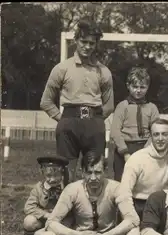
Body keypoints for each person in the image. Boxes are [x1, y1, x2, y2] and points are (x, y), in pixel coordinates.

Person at [40, 19, 114, 182]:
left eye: (92, 43)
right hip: (69, 124)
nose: (87, 46)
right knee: (67, 173)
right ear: (75, 41)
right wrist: (64, 119)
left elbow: (109, 105)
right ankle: (68, 206)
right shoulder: (62, 68)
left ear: (96, 45)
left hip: (94, 125)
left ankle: (91, 207)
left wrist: (96, 121)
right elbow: (46, 101)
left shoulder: (104, 71)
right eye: (83, 41)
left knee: (94, 171)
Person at [39, 151, 140, 235]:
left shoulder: (116, 187)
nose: (93, 178)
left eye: (97, 173)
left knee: (134, 233)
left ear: (105, 172)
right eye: (89, 173)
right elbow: (51, 222)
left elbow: (133, 219)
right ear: (82, 172)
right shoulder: (72, 189)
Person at [119, 118, 168, 220]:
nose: (160, 138)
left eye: (164, 134)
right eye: (156, 134)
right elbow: (124, 193)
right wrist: (131, 216)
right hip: (139, 206)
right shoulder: (137, 159)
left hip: (162, 207)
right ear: (150, 137)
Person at [111, 67, 160, 181]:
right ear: (128, 86)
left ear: (147, 87)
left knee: (144, 181)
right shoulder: (122, 106)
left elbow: (155, 131)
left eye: (142, 87)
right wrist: (125, 153)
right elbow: (115, 132)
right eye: (135, 87)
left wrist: (146, 150)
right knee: (122, 181)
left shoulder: (152, 108)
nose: (138, 90)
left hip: (144, 147)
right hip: (125, 148)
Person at [18, 156, 71, 235]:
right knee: (29, 221)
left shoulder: (68, 188)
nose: (52, 179)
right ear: (43, 174)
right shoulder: (39, 188)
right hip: (45, 221)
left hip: (63, 222)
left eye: (56, 175)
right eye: (48, 175)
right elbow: (29, 207)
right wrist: (46, 215)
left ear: (62, 173)